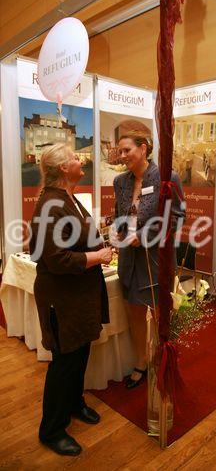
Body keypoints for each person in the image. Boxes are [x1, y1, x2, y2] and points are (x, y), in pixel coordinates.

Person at [29, 143, 112, 456]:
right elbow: (56, 259)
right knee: (64, 362)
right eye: (76, 158)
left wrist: (100, 241)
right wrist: (96, 256)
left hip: (77, 296)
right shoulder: (52, 203)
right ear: (63, 168)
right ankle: (51, 428)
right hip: (62, 299)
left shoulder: (67, 197)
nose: (82, 161)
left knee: (80, 354)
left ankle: (74, 402)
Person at [112, 132, 185, 389]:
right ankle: (141, 362)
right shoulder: (120, 181)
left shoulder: (167, 178)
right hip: (129, 261)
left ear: (143, 149)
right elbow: (118, 215)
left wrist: (141, 237)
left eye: (126, 150)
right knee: (134, 313)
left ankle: (161, 360)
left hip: (156, 259)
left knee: (159, 316)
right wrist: (119, 232)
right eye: (119, 152)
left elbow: (175, 218)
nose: (122, 157)